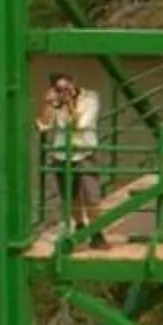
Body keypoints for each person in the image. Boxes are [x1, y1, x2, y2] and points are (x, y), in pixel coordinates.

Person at [34, 73, 105, 245]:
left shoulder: (90, 99)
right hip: (62, 154)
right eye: (60, 89)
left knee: (91, 195)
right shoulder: (57, 102)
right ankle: (79, 225)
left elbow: (79, 125)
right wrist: (49, 104)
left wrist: (69, 104)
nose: (64, 92)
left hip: (85, 152)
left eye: (67, 88)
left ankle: (96, 233)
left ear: (73, 84)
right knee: (70, 196)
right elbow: (42, 126)